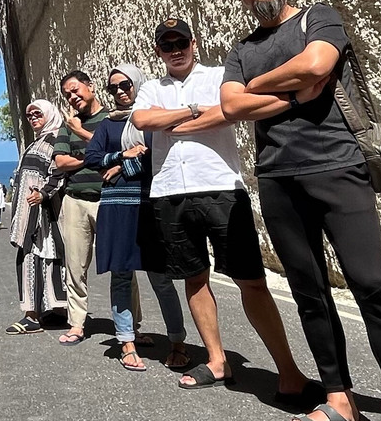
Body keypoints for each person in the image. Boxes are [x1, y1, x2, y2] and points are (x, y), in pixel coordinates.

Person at [221, 0, 381, 421]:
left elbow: (317, 65)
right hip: (276, 179)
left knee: (372, 284)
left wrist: (257, 88)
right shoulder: (241, 50)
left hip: (338, 168)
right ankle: (339, 397)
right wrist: (292, 92)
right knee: (308, 291)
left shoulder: (319, 17)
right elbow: (231, 107)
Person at [130, 20, 309, 394]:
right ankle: (216, 360)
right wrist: (193, 112)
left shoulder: (218, 76)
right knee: (194, 279)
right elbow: (143, 120)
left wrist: (175, 119)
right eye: (167, 45)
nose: (175, 49)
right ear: (158, 51)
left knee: (251, 281)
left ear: (194, 43)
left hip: (221, 188)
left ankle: (288, 371)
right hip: (170, 194)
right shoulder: (150, 87)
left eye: (181, 41)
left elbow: (230, 111)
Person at [83, 64, 189, 372]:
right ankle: (126, 342)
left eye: (125, 85)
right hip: (116, 208)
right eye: (113, 87)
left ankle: (177, 343)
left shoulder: (151, 119)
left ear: (138, 84)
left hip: (149, 206)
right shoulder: (107, 125)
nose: (119, 91)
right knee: (121, 276)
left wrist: (120, 170)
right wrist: (120, 157)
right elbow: (91, 159)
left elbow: (161, 157)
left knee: (162, 278)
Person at [49, 70, 109, 346]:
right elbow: (60, 162)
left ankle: (131, 326)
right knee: (74, 265)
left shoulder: (110, 119)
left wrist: (83, 141)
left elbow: (117, 152)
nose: (73, 97)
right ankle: (77, 323)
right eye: (67, 94)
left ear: (90, 87)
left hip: (107, 199)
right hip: (74, 200)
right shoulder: (67, 124)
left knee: (121, 265)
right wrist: (95, 155)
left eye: (76, 90)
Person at [5, 99, 67, 334]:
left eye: (37, 113)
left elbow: (59, 171)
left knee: (33, 257)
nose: (32, 118)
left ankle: (31, 315)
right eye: (29, 115)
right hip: (30, 212)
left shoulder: (56, 139)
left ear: (49, 114)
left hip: (44, 213)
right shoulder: (39, 141)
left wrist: (43, 194)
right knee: (43, 257)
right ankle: (57, 310)